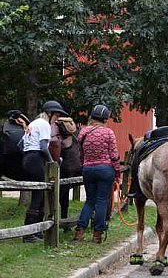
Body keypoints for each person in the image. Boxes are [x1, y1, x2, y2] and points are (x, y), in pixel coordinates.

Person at [21, 100, 68, 243]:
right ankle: (30, 233)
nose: (57, 118)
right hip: (36, 158)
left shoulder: (33, 123)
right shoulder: (45, 124)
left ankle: (36, 230)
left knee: (39, 194)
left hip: (27, 158)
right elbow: (42, 146)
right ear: (49, 113)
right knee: (39, 196)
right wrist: (52, 162)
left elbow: (21, 143)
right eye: (56, 115)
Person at [73, 105, 120, 244]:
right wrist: (117, 173)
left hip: (88, 169)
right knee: (101, 201)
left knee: (89, 200)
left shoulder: (83, 132)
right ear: (105, 118)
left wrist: (84, 166)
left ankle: (79, 232)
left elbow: (81, 154)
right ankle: (97, 234)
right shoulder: (108, 133)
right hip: (105, 169)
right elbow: (114, 155)